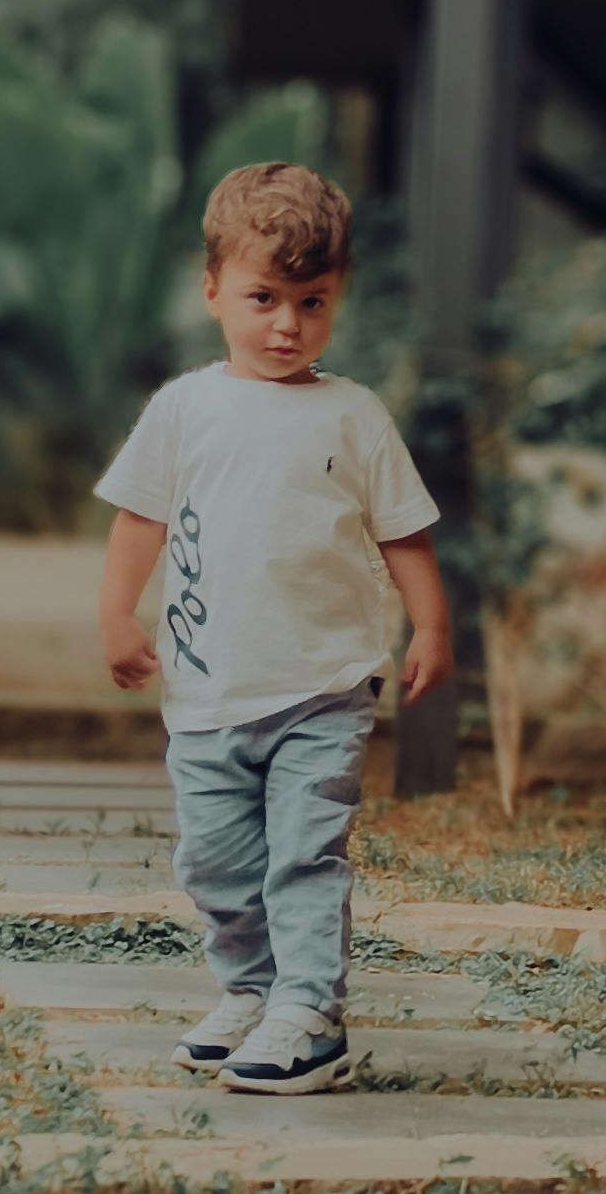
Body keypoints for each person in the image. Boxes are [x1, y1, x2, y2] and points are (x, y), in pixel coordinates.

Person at [93, 161, 451, 1096]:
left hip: (323, 687)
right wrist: (116, 614)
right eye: (264, 299)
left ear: (337, 298)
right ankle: (250, 992)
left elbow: (403, 532)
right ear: (213, 289)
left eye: (312, 302)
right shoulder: (184, 409)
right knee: (214, 862)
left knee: (303, 853)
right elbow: (139, 521)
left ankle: (309, 1013)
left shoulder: (353, 415)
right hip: (209, 691)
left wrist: (429, 625)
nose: (288, 324)